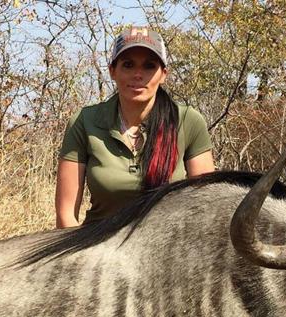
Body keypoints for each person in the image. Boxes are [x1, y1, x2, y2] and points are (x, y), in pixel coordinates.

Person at [55, 26, 216, 228]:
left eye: (149, 66)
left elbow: (205, 208)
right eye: (128, 65)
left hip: (168, 249)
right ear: (113, 71)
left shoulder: (187, 121)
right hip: (96, 250)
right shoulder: (85, 121)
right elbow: (65, 216)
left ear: (163, 74)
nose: (138, 75)